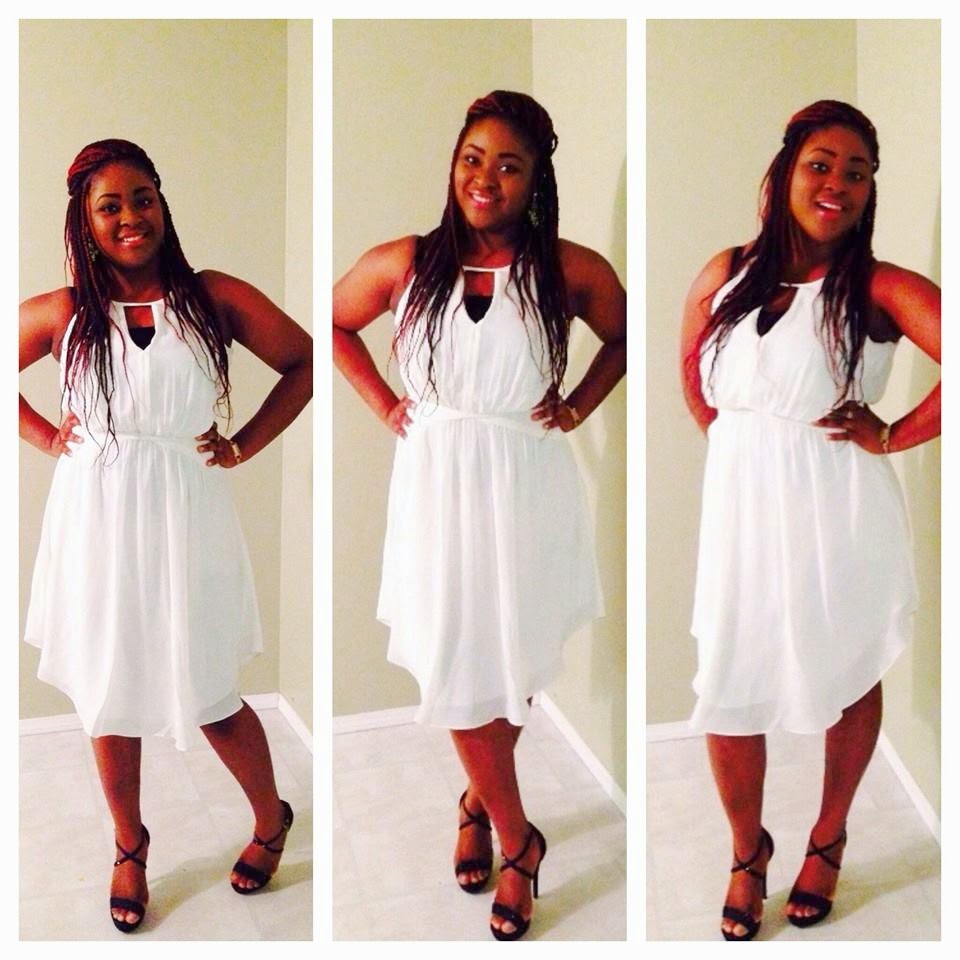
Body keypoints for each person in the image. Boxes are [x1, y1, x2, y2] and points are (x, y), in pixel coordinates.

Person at [334, 91, 626, 940]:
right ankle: (519, 838)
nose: (486, 178)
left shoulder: (569, 268)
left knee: (511, 657)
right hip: (436, 485)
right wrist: (387, 404)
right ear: (452, 163)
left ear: (536, 180)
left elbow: (624, 336)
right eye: (473, 158)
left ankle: (475, 798)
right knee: (457, 659)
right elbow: (336, 323)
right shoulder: (404, 262)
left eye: (509, 164)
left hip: (527, 481)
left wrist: (578, 405)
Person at [19, 139, 313, 933]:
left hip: (187, 517)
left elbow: (302, 361)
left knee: (211, 692)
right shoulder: (62, 312)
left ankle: (271, 820)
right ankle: (129, 845)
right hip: (95, 521)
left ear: (162, 203)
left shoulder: (212, 297)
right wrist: (45, 435)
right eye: (109, 205)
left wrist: (243, 444)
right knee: (108, 693)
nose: (130, 217)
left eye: (142, 198)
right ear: (84, 220)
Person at [680, 101, 940, 941]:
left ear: (870, 192)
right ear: (784, 173)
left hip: (838, 508)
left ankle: (828, 837)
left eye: (857, 172)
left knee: (847, 668)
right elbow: (692, 367)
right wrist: (738, 445)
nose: (838, 183)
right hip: (741, 508)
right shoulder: (726, 271)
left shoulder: (878, 286)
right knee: (728, 681)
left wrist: (893, 434)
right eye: (821, 164)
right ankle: (747, 850)